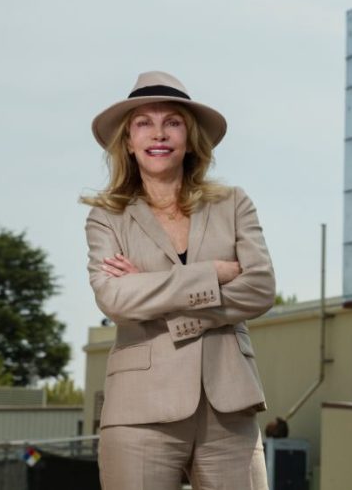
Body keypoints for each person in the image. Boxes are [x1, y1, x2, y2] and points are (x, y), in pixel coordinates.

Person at [82, 71, 275, 490]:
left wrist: (155, 290)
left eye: (172, 122)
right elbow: (115, 299)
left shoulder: (233, 203)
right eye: (143, 123)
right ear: (128, 141)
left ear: (190, 138)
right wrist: (212, 274)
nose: (159, 134)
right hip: (138, 413)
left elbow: (260, 288)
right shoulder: (107, 217)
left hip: (230, 406)